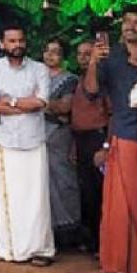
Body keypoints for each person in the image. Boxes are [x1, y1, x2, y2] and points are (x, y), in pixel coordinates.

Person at [84, 5, 137, 273]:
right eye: (127, 22)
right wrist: (93, 62)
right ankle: (120, 263)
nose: (131, 26)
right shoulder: (110, 59)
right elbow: (91, 93)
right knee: (120, 206)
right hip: (123, 136)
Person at [0, 24, 54, 266]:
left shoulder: (39, 69)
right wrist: (24, 105)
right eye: (11, 41)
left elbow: (41, 101)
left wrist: (11, 101)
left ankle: (41, 249)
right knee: (9, 197)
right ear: (2, 44)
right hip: (6, 140)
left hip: (34, 139)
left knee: (37, 195)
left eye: (20, 40)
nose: (17, 45)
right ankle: (11, 249)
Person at [69, 39, 109, 253]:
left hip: (98, 138)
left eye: (88, 53)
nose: (84, 58)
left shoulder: (102, 81)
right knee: (86, 193)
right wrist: (75, 145)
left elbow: (111, 114)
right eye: (80, 54)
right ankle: (91, 240)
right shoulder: (79, 80)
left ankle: (104, 243)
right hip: (81, 139)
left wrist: (105, 147)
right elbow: (76, 116)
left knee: (99, 193)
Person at [42, 39, 82, 246]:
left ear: (63, 57)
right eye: (47, 51)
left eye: (56, 52)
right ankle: (47, 230)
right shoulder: (35, 76)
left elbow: (65, 108)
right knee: (42, 183)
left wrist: (36, 104)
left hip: (59, 137)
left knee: (63, 181)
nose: (50, 55)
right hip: (38, 137)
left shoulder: (69, 80)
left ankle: (69, 228)